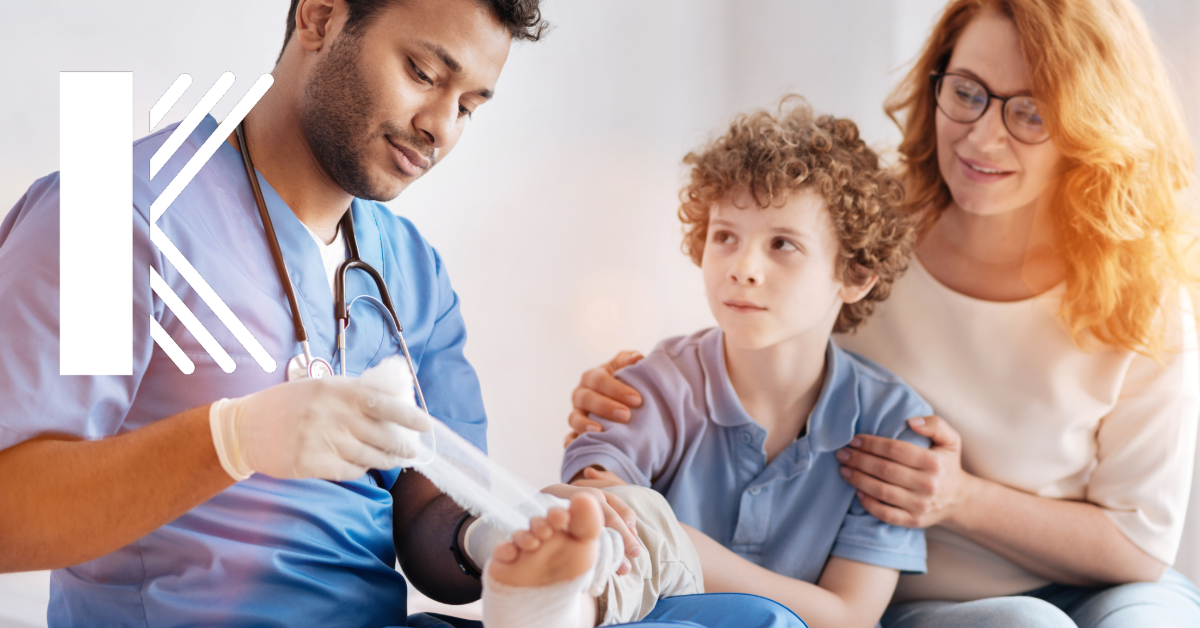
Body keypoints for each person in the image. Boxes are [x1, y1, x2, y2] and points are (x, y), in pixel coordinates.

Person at [0, 0, 804, 626]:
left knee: (757, 620)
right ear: (319, 16)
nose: (441, 128)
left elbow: (431, 519)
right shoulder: (120, 219)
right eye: (423, 72)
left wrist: (503, 539)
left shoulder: (406, 266)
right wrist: (233, 439)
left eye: (471, 103)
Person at [565, 1, 1200, 627]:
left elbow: (1139, 547)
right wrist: (625, 402)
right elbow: (743, 342)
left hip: (1100, 586)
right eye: (968, 92)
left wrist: (961, 499)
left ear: (1091, 126)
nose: (982, 136)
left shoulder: (1141, 295)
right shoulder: (857, 228)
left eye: (1030, 111)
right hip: (916, 597)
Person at [561, 98, 933, 628]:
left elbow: (849, 617)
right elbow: (590, 508)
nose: (743, 268)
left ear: (854, 275)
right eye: (725, 237)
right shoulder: (651, 387)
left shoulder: (892, 425)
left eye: (782, 244)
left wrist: (679, 545)